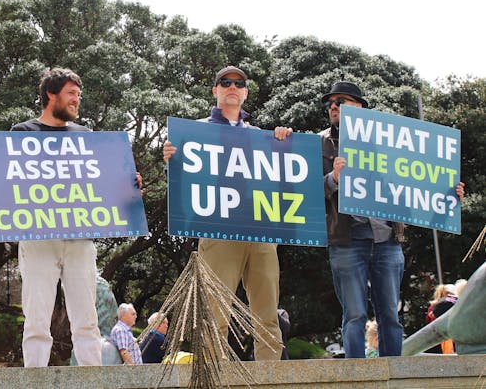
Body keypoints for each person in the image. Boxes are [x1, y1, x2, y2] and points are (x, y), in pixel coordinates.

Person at [0, 67, 143, 367]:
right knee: (36, 320)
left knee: (86, 319)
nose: (77, 100)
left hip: (80, 241)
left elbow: (99, 182)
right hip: (37, 241)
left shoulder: (85, 136)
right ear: (51, 94)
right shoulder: (22, 132)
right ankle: (35, 379)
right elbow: (6, 179)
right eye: (72, 93)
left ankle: (92, 381)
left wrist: (127, 182)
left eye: (79, 95)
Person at [320, 81, 465, 358]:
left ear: (361, 108)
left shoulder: (390, 142)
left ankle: (394, 375)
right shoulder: (320, 143)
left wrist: (450, 194)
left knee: (390, 314)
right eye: (330, 103)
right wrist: (333, 179)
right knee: (355, 314)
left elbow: (420, 184)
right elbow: (308, 192)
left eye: (342, 101)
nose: (334, 106)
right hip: (347, 241)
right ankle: (356, 377)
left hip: (387, 241)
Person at [163, 66, 291, 361]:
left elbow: (283, 176)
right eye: (225, 82)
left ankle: (270, 380)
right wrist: (172, 161)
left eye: (239, 83)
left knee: (267, 316)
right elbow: (183, 183)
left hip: (260, 231)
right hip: (218, 232)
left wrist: (285, 142)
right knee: (214, 316)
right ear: (215, 91)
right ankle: (212, 379)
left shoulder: (262, 136)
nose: (232, 87)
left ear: (245, 93)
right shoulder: (194, 132)